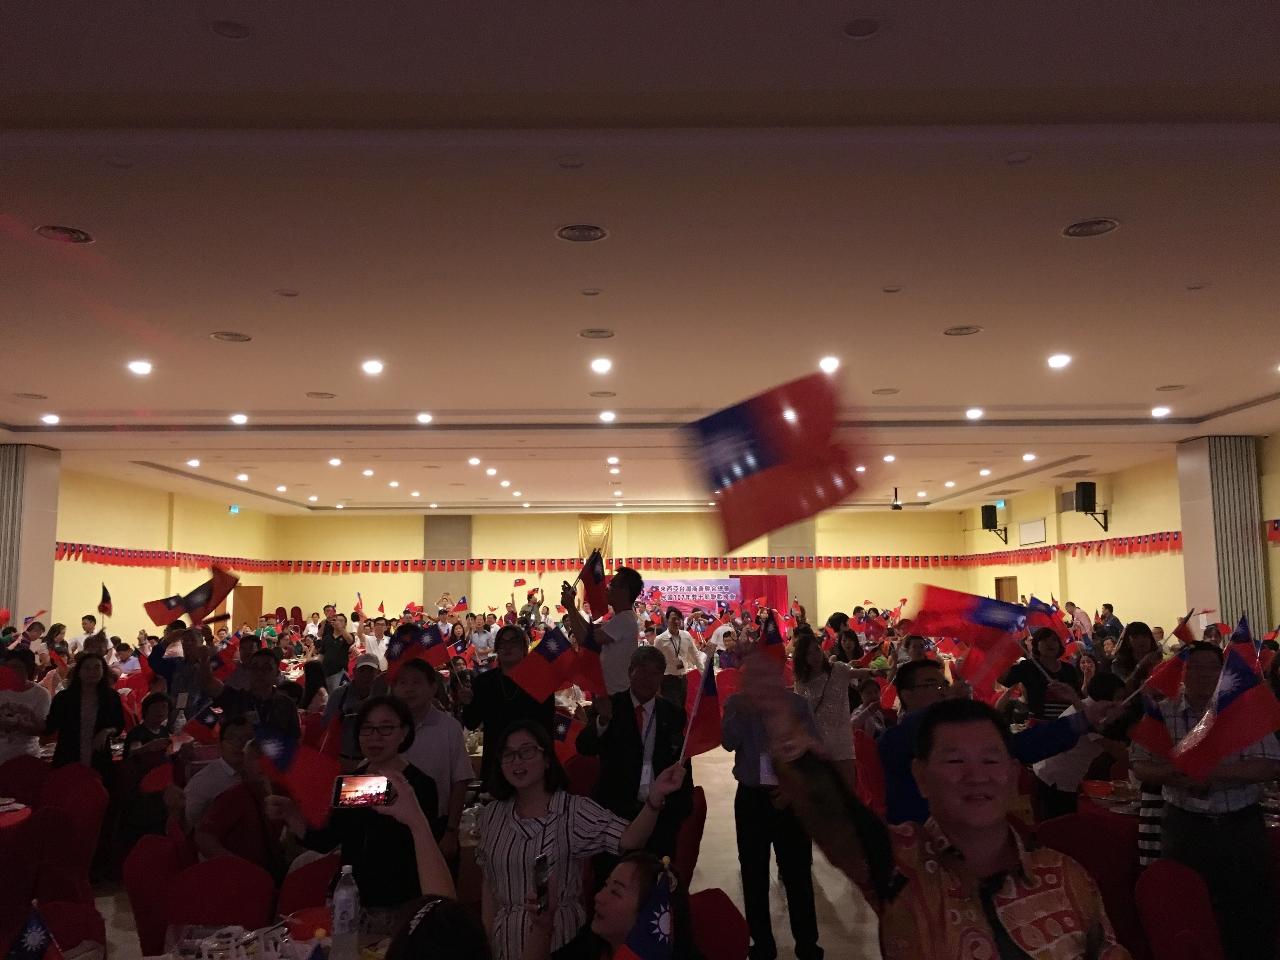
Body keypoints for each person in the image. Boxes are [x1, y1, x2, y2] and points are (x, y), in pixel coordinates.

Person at [753, 677, 1132, 960]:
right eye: (955, 761)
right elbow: (836, 820)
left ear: (1013, 772)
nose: (976, 775)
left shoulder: (1066, 875)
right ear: (921, 776)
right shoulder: (903, 866)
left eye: (990, 760)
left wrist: (1082, 718)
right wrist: (793, 753)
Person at [475, 719, 685, 960]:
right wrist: (486, 941)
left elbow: (629, 839)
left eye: (527, 751)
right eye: (508, 754)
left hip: (561, 942)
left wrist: (654, 800)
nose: (517, 761)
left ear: (547, 759)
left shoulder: (571, 811)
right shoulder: (492, 815)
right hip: (505, 942)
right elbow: (489, 886)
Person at [1130, 642, 1280, 960]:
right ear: (1183, 671)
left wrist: (1211, 773)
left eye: (1211, 667)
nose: (1203, 674)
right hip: (1185, 826)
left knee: (1249, 910)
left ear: (1221, 673)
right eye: (1195, 667)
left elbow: (1269, 765)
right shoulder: (1163, 712)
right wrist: (1172, 773)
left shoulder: (1243, 711)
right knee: (1184, 907)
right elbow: (1139, 764)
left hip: (1239, 826)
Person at [269, 695, 442, 922]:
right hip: (351, 902)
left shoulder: (419, 785)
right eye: (367, 729)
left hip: (400, 904)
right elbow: (327, 840)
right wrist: (292, 814)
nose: (375, 737)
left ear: (404, 732)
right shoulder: (353, 781)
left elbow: (423, 849)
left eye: (386, 728)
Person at [878, 659, 1103, 825]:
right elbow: (915, 736)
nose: (942, 692)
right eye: (931, 685)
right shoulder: (893, 739)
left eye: (944, 686)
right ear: (906, 694)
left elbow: (1016, 746)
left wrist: (1081, 721)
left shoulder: (963, 733)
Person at [721, 643, 824, 960]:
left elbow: (814, 749)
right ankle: (762, 945)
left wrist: (794, 788)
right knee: (753, 874)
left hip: (790, 797)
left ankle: (807, 944)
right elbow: (728, 743)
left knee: (797, 874)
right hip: (752, 797)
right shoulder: (737, 703)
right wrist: (742, 711)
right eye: (752, 673)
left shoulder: (797, 705)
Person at [575, 646, 694, 861]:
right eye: (643, 670)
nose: (648, 678)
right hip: (615, 812)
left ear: (662, 676)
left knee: (656, 874)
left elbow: (682, 762)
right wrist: (603, 720)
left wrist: (681, 808)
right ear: (631, 671)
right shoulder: (611, 706)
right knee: (612, 874)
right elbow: (584, 746)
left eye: (655, 672)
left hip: (659, 814)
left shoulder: (673, 714)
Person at [523, 853, 698, 960]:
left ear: (648, 913)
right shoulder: (592, 944)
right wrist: (542, 926)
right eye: (606, 885)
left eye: (615, 892)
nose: (598, 897)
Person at [392, 659, 474, 861]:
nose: (409, 689)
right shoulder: (387, 727)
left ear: (433, 688)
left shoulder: (449, 727)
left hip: (437, 824)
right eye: (402, 683)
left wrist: (451, 831)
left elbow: (460, 781)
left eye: (416, 682)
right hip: (391, 823)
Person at [461, 625, 556, 785]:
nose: (507, 647)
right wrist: (467, 703)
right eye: (502, 643)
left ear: (524, 647)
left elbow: (547, 727)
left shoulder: (539, 680)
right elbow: (471, 722)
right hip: (496, 758)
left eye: (513, 642)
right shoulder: (484, 682)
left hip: (530, 758)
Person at [1031, 672, 1127, 819]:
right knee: (1060, 826)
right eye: (1119, 698)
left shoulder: (1087, 706)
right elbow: (1116, 751)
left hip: (1053, 774)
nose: (1123, 703)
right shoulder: (1093, 714)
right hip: (1055, 778)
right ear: (1106, 697)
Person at [560, 566, 645, 697]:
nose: (607, 588)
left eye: (612, 585)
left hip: (616, 695)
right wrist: (572, 606)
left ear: (624, 591)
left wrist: (571, 607)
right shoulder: (622, 618)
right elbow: (589, 630)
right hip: (612, 692)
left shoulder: (624, 619)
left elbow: (585, 640)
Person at [791, 627, 856, 788]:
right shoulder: (801, 683)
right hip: (817, 745)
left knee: (847, 791)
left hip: (841, 741)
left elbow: (859, 673)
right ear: (803, 657)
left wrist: (877, 671)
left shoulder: (838, 669)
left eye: (816, 650)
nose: (815, 656)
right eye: (809, 653)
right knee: (825, 793)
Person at [44, 652, 124, 779]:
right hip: (69, 754)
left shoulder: (111, 697)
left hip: (99, 756)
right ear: (79, 672)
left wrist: (106, 731)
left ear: (103, 671)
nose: (92, 672)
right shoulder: (64, 698)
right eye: (87, 668)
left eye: (97, 667)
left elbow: (119, 725)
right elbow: (50, 726)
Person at [208, 648, 300, 739]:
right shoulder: (235, 698)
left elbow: (294, 740)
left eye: (267, 668)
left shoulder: (286, 704)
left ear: (277, 673)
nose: (259, 672)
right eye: (255, 667)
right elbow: (208, 683)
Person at [183, 716, 254, 829]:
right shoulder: (202, 783)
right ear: (220, 744)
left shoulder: (262, 774)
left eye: (247, 739)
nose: (240, 744)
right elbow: (192, 823)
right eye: (232, 738)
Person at [998, 628, 1083, 721]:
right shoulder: (1028, 666)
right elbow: (1003, 679)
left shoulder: (1069, 669)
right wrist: (1009, 655)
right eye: (1044, 640)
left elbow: (1078, 695)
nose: (1050, 643)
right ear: (1036, 645)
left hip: (1067, 721)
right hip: (1039, 722)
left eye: (1054, 640)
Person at [322, 653, 387, 771]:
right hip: (341, 759)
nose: (366, 675)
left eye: (370, 671)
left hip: (373, 763)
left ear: (378, 673)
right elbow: (326, 723)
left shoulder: (384, 698)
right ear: (354, 671)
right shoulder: (339, 694)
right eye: (362, 670)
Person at [0, 648, 51, 763]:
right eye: (8, 667)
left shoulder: (41, 694)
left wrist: (18, 725)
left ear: (28, 669)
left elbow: (41, 730)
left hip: (27, 756)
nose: (11, 671)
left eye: (17, 667)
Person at [653, 608, 701, 705]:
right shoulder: (660, 639)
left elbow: (695, 655)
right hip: (668, 680)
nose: (676, 622)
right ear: (667, 620)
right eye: (673, 619)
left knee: (682, 706)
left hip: (683, 679)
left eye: (679, 619)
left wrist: (703, 673)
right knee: (672, 708)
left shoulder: (686, 635)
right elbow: (655, 662)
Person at [1111, 621, 1162, 695]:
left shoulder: (1157, 659)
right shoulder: (1118, 663)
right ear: (1128, 641)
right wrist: (1140, 666)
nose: (1142, 640)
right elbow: (1125, 688)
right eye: (1136, 637)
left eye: (1145, 636)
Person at [122, 692, 172, 758]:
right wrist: (149, 747)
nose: (160, 710)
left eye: (164, 706)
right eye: (155, 707)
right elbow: (133, 752)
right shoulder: (137, 732)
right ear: (146, 710)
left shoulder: (164, 731)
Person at [318, 609, 355, 691]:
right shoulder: (327, 637)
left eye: (341, 621)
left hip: (340, 672)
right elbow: (321, 654)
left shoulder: (348, 635)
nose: (338, 622)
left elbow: (350, 640)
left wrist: (341, 628)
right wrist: (317, 668)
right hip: (325, 672)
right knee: (326, 695)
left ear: (345, 624)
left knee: (338, 695)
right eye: (336, 620)